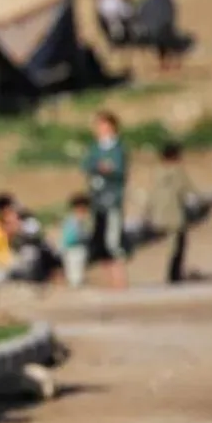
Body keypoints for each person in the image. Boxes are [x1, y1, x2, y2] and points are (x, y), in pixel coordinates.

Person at [81, 110, 129, 290]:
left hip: (112, 200)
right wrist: (100, 167)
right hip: (97, 201)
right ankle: (109, 283)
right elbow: (87, 165)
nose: (100, 129)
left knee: (114, 242)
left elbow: (118, 170)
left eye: (103, 125)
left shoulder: (117, 148)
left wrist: (107, 169)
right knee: (99, 242)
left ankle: (120, 282)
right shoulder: (95, 148)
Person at [145, 141, 198, 284]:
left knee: (172, 245)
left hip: (158, 214)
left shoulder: (157, 172)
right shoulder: (178, 172)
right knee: (178, 246)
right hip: (174, 214)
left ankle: (173, 274)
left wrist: (147, 214)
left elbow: (151, 195)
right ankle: (174, 275)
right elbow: (190, 191)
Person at [0, 192, 57, 285]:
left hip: (39, 259)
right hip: (21, 258)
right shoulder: (3, 223)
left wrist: (18, 227)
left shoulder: (26, 219)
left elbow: (36, 234)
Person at [60, 194, 94, 288]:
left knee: (78, 273)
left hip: (79, 249)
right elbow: (70, 236)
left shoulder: (79, 220)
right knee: (74, 275)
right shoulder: (73, 220)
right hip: (72, 249)